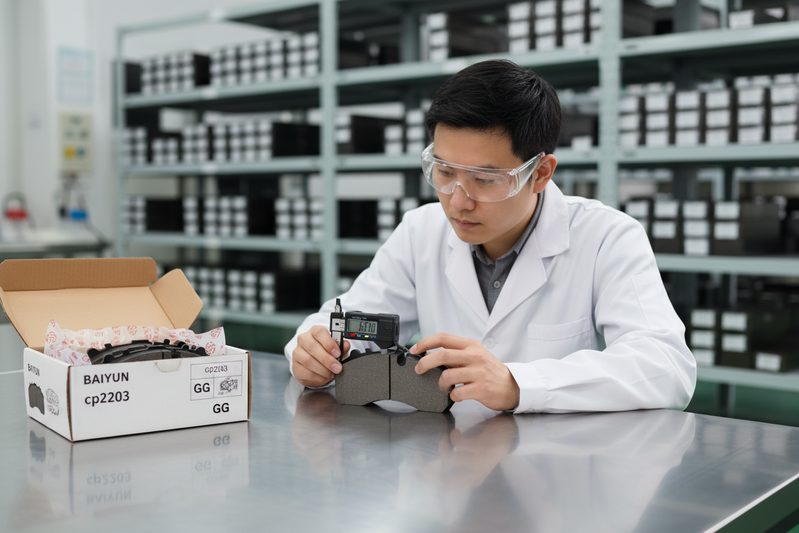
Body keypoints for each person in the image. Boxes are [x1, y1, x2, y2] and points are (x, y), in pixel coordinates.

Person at [284, 59, 696, 413]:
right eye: (444, 173)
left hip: (556, 476)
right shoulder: (420, 231)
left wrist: (519, 383)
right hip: (444, 468)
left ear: (540, 173)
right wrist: (313, 351)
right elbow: (339, 321)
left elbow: (666, 367)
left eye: (484, 179)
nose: (458, 202)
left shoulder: (605, 236)